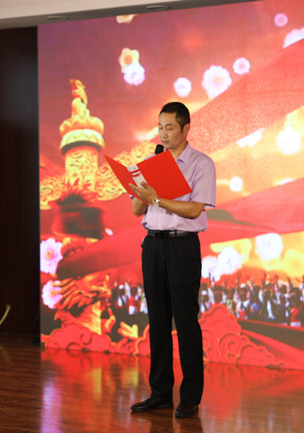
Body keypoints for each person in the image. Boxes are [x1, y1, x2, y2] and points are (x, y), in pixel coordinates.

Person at [129, 102, 216, 418]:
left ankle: (190, 396)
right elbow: (137, 210)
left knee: (186, 321)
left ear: (185, 128)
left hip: (182, 247)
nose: (163, 134)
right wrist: (143, 194)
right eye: (160, 127)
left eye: (169, 127)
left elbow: (194, 209)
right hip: (153, 245)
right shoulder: (150, 164)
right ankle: (160, 393)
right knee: (158, 321)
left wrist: (157, 198)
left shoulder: (201, 164)